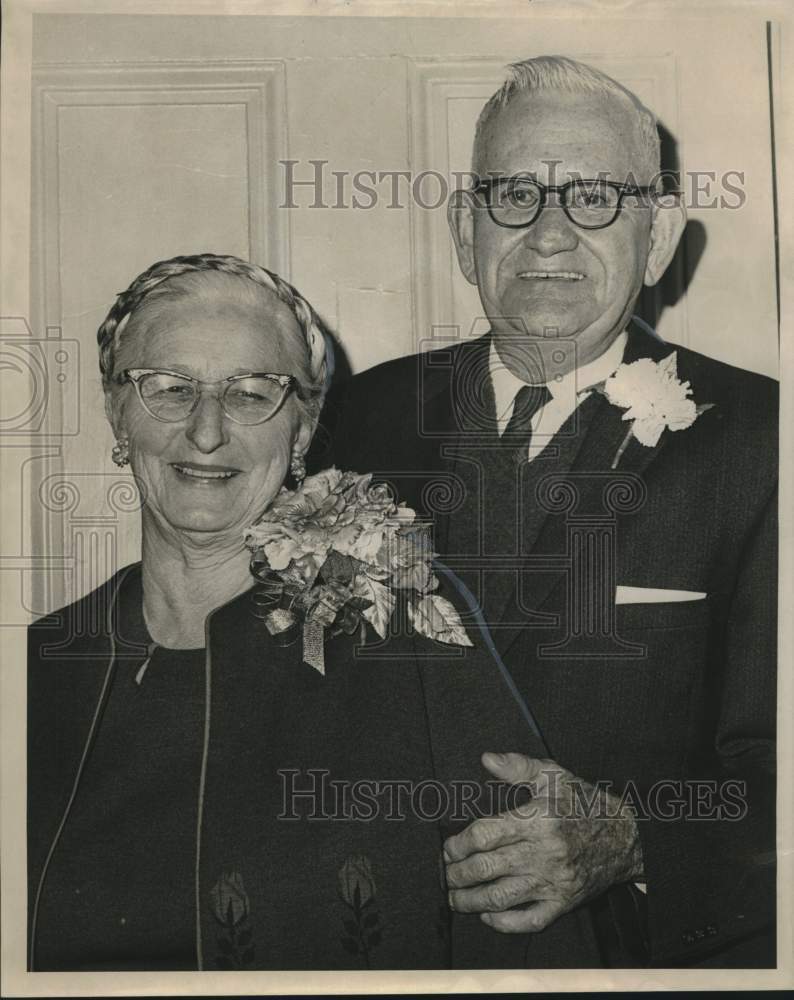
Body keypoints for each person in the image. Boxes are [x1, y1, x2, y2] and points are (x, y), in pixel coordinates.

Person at [316, 57, 777, 967]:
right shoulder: (361, 416)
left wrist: (635, 842)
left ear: (657, 239)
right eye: (515, 194)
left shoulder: (768, 442)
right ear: (463, 230)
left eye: (597, 197)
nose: (550, 235)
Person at [28, 253, 576, 971]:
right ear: (116, 414)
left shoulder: (405, 629)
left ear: (303, 430)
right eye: (167, 387)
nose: (206, 431)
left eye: (253, 393)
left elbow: (528, 931)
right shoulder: (38, 664)